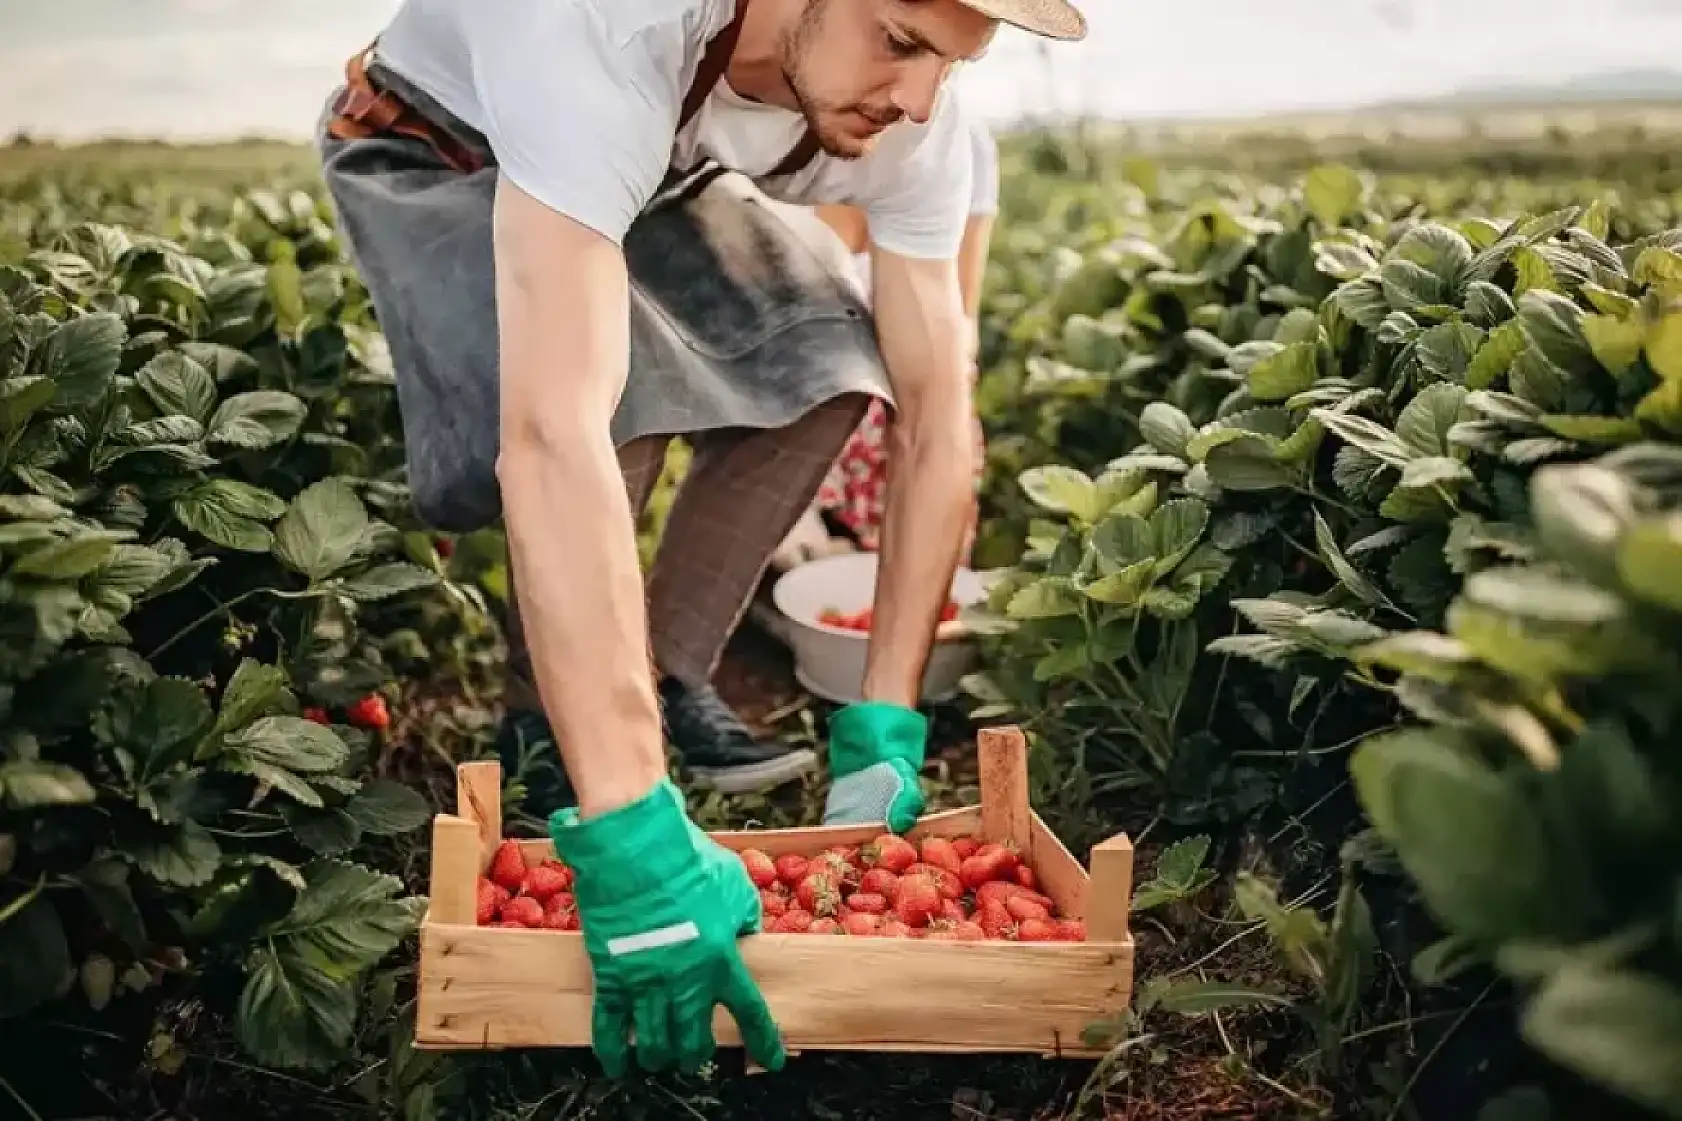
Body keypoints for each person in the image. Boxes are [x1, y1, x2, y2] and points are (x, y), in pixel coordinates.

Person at [314, 0, 1085, 1079]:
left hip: (654, 158)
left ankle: (660, 674)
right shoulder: (600, 25)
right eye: (902, 42)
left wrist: (886, 711)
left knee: (830, 367)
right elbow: (550, 435)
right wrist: (632, 833)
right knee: (606, 399)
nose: (918, 96)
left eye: (951, 66)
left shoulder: (910, 121)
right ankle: (561, 733)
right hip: (439, 149)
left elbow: (937, 409)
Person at [771, 110, 998, 570]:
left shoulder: (962, 141)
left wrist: (931, 421)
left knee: (900, 579)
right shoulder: (782, 140)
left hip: (898, 412)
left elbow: (961, 322)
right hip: (792, 407)